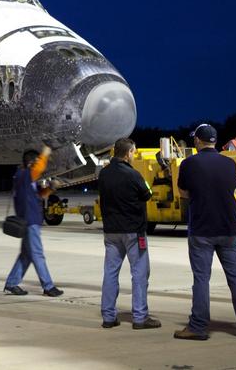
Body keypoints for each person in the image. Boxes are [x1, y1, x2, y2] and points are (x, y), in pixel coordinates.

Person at [174, 123, 236, 341]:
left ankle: (198, 327)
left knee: (201, 279)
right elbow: (231, 188)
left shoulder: (189, 163)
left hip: (202, 228)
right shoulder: (229, 163)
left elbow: (182, 192)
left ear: (197, 140)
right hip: (228, 228)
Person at [98, 137, 160, 329]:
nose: (134, 155)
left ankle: (108, 316)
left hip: (111, 231)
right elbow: (148, 194)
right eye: (133, 152)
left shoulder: (103, 174)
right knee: (139, 273)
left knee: (110, 273)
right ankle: (140, 317)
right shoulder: (133, 174)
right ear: (128, 153)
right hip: (133, 232)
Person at [2, 145, 63, 298]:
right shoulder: (24, 175)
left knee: (26, 255)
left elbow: (39, 195)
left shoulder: (25, 178)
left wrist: (50, 188)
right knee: (37, 254)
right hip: (30, 222)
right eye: (36, 162)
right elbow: (39, 168)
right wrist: (45, 153)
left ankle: (11, 284)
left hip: (30, 221)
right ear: (31, 163)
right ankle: (48, 286)